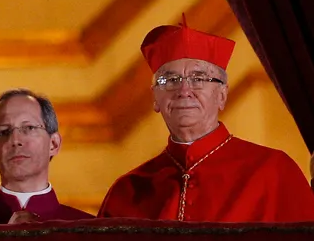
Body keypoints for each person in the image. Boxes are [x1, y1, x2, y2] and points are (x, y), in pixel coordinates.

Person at [98, 17, 314, 222]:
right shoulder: (126, 192)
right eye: (170, 79)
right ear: (155, 98)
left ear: (222, 95)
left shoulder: (274, 172)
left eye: (198, 78)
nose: (184, 90)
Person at [0, 89, 93, 225]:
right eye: (4, 132)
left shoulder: (90, 230)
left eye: (29, 128)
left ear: (53, 144)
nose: (15, 140)